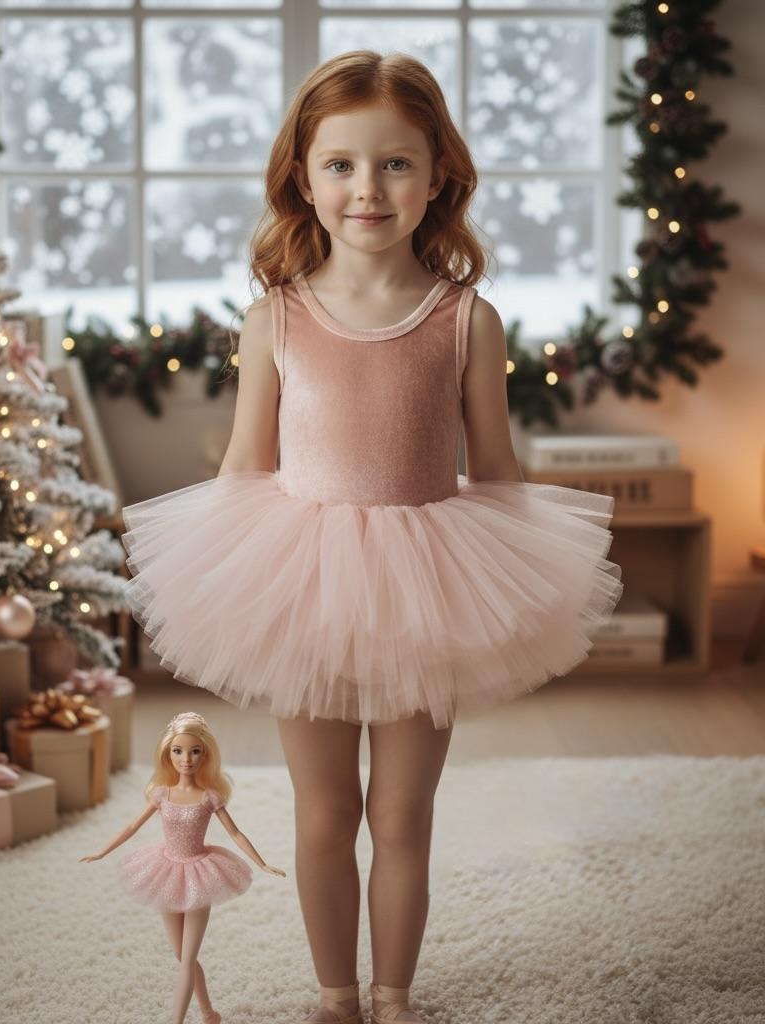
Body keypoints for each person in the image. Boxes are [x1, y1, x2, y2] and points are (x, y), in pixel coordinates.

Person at [119, 49, 624, 1024]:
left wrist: (525, 585)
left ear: (439, 176)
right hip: (299, 578)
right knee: (324, 812)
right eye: (341, 164)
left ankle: (392, 994)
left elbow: (498, 468)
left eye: (395, 163)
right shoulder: (272, 319)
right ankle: (335, 994)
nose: (367, 188)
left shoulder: (468, 320)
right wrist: (214, 585)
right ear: (302, 179)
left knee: (399, 813)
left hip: (428, 579)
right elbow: (242, 463)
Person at [79, 711, 285, 1024]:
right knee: (181, 956)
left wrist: (263, 863)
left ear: (205, 755)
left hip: (200, 874)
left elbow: (235, 833)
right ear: (167, 753)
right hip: (164, 871)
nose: (185, 759)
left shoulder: (209, 797)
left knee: (188, 958)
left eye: (194, 751)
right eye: (178, 751)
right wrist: (102, 851)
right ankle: (208, 1013)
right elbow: (133, 825)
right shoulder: (161, 794)